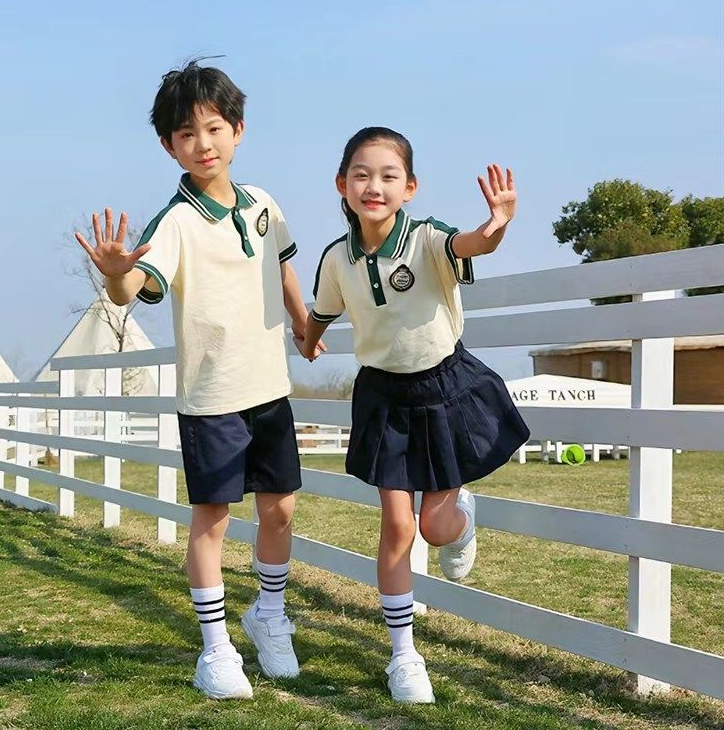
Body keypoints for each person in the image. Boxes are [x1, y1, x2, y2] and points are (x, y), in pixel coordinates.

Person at [75, 59, 323, 700]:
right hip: (212, 399)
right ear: (169, 146)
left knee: (282, 512)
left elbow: (286, 269)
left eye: (213, 128)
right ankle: (215, 649)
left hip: (271, 391)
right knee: (211, 521)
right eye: (187, 135)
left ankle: (269, 617)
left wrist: (306, 326)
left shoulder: (264, 203)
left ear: (238, 130)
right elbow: (135, 288)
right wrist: (113, 271)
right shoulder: (174, 223)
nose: (202, 144)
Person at [301, 127, 529, 703]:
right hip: (383, 397)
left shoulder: (426, 239)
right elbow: (321, 317)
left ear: (409, 188)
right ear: (342, 185)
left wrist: (496, 224)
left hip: (443, 388)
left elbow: (471, 245)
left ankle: (463, 518)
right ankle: (404, 656)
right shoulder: (335, 258)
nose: (373, 186)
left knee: (433, 526)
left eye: (387, 176)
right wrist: (307, 340)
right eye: (361, 175)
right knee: (398, 526)